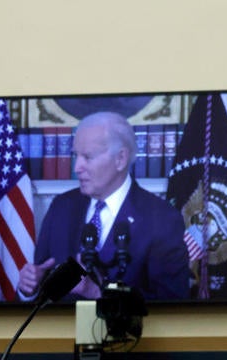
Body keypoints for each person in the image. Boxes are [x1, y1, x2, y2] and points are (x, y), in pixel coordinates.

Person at [18, 111, 190, 302]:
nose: (77, 168)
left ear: (120, 159)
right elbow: (40, 289)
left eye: (88, 157)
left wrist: (97, 293)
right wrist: (31, 287)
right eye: (76, 156)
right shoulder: (61, 208)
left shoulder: (162, 219)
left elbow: (172, 304)